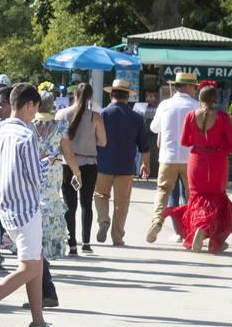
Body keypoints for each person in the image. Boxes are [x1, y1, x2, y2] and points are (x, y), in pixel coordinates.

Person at [0, 83, 60, 327]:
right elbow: (34, 176)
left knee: (36, 261)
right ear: (30, 104)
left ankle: (38, 321)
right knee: (30, 267)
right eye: (35, 108)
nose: (35, 114)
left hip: (5, 205)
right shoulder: (26, 134)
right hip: (26, 207)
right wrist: (49, 162)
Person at [168, 85, 232, 254]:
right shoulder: (222, 116)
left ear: (199, 99)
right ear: (215, 99)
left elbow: (185, 141)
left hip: (197, 161)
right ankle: (213, 237)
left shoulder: (191, 115)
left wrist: (199, 139)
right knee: (216, 198)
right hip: (217, 161)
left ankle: (200, 226)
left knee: (197, 198)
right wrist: (221, 146)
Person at [30, 90, 80, 310]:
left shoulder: (29, 125)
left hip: (32, 175)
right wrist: (77, 174)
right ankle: (42, 286)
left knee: (34, 223)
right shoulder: (60, 126)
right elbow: (68, 154)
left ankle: (42, 289)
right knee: (49, 213)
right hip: (52, 175)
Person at [93, 79, 151, 246]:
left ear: (111, 95)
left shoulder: (102, 114)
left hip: (103, 164)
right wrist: (145, 164)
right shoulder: (136, 118)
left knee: (100, 195)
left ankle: (103, 220)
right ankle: (117, 237)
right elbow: (144, 146)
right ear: (128, 97)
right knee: (122, 202)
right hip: (126, 167)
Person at [146, 72, 200, 244]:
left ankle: (157, 221)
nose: (195, 90)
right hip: (190, 158)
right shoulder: (196, 106)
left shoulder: (165, 104)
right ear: (187, 86)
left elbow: (154, 128)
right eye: (194, 87)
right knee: (192, 195)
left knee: (162, 192)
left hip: (167, 157)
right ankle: (194, 227)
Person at [55, 83, 106, 255]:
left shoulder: (62, 114)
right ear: (90, 97)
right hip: (89, 164)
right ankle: (86, 242)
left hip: (67, 164)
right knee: (86, 203)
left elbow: (57, 141)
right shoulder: (95, 117)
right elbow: (103, 142)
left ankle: (72, 245)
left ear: (74, 95)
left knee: (70, 204)